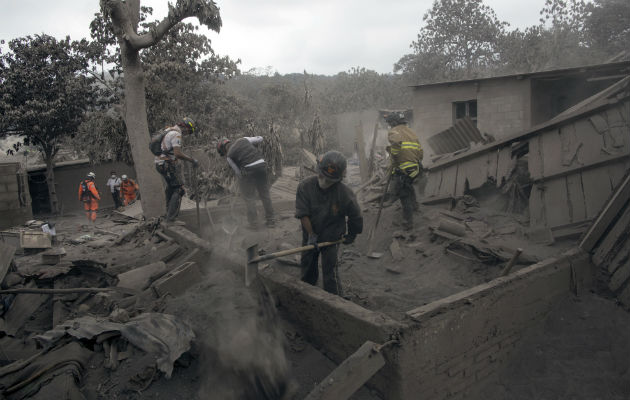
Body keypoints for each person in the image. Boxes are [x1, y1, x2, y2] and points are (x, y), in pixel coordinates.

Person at [295, 150, 363, 296]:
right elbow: (303, 214)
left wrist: (351, 234)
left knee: (330, 271)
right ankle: (306, 295)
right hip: (310, 234)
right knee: (308, 267)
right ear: (318, 170)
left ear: (339, 178)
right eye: (322, 176)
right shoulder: (305, 187)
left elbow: (355, 217)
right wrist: (311, 235)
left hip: (332, 238)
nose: (324, 182)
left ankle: (335, 300)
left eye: (329, 180)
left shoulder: (345, 194)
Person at [217, 136, 275, 228]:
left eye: (223, 152)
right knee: (265, 194)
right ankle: (271, 220)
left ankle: (254, 223)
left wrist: (242, 184)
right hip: (261, 166)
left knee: (249, 198)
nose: (225, 153)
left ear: (223, 149)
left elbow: (238, 173)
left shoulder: (229, 156)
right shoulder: (243, 139)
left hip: (249, 170)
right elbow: (260, 138)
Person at [154, 117, 198, 223]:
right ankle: (172, 218)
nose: (187, 134)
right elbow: (177, 153)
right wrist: (192, 160)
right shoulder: (176, 134)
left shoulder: (168, 130)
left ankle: (168, 214)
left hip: (160, 163)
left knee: (171, 188)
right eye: (188, 131)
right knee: (179, 189)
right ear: (185, 127)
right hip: (166, 164)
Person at [385, 111, 423, 231]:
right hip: (415, 168)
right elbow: (421, 152)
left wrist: (393, 153)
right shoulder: (411, 132)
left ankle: (408, 223)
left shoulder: (394, 131)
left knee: (403, 194)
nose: (390, 125)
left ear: (394, 122)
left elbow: (396, 143)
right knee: (407, 186)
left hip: (403, 168)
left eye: (390, 123)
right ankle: (415, 206)